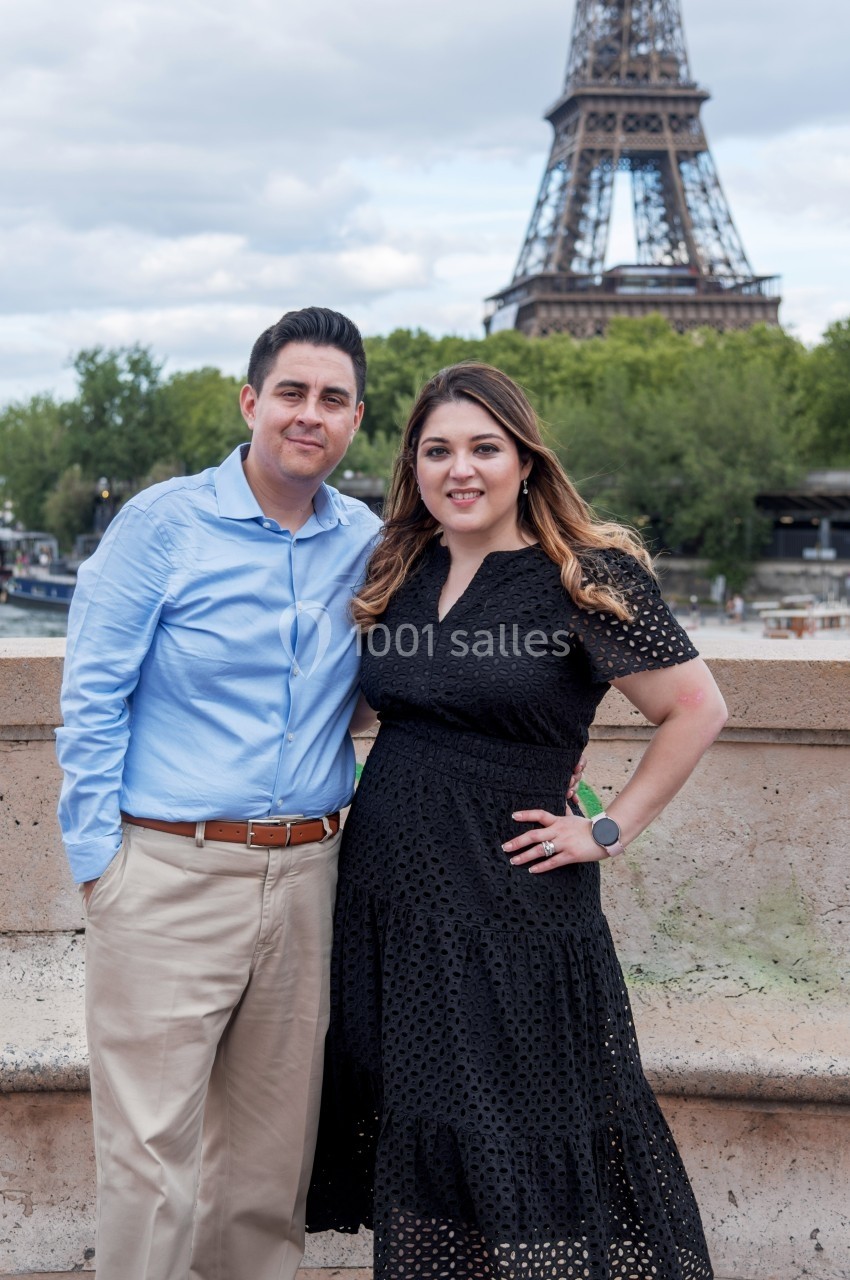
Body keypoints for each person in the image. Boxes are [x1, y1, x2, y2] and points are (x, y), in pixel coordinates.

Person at [307, 363, 728, 1280]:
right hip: (386, 903)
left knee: (519, 1126)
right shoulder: (397, 568)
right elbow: (367, 710)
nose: (462, 470)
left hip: (512, 910)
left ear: (525, 462)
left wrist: (606, 829)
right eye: (438, 451)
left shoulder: (585, 576)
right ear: (413, 467)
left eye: (484, 449)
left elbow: (697, 709)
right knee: (420, 1127)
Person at [55, 307, 382, 1280]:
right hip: (167, 871)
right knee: (151, 1162)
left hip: (309, 877)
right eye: (291, 392)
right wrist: (100, 869)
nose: (308, 414)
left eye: (332, 398)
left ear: (356, 418)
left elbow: (415, 673)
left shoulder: (362, 537)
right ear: (250, 401)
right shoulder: (161, 523)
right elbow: (90, 696)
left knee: (266, 1172)